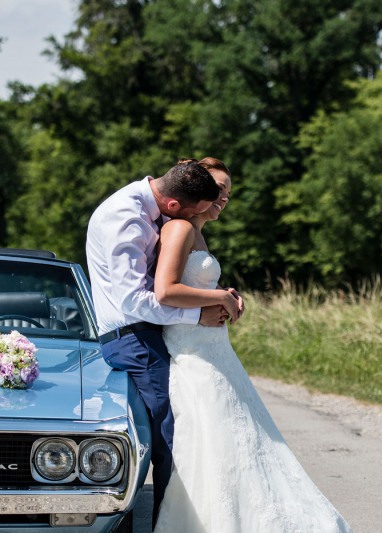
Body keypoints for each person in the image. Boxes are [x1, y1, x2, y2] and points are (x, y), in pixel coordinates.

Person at [153, 157, 352, 532]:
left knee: (241, 434)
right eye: (217, 191)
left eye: (227, 193)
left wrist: (223, 294)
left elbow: (194, 284)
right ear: (196, 189)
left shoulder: (196, 230)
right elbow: (166, 291)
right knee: (213, 437)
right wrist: (219, 301)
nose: (223, 199)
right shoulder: (178, 228)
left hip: (213, 345)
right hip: (193, 350)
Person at [85, 160, 239, 526]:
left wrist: (213, 297)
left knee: (177, 433)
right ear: (173, 206)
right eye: (190, 213)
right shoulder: (128, 218)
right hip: (133, 338)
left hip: (148, 334)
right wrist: (197, 316)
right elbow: (132, 300)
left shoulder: (153, 208)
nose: (183, 224)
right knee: (170, 440)